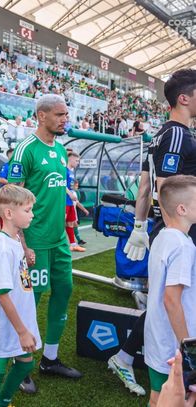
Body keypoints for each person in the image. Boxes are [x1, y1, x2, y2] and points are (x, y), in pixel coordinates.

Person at [110, 69, 196, 396]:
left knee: (166, 300)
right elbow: (166, 187)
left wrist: (139, 225)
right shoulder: (176, 135)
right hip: (179, 228)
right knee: (175, 300)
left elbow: (145, 186)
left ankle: (128, 357)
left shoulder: (161, 135)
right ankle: (179, 361)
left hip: (169, 227)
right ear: (184, 98)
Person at [7, 94, 82, 393]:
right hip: (34, 241)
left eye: (66, 114)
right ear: (41, 115)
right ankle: (20, 363)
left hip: (58, 240)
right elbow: (11, 201)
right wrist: (22, 243)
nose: (65, 119)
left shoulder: (61, 150)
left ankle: (50, 359)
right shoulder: (25, 150)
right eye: (60, 114)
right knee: (30, 300)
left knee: (63, 292)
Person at [0, 184, 40, 407]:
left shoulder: (15, 240)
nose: (32, 214)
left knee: (25, 363)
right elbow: (2, 295)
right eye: (28, 210)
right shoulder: (3, 249)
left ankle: (3, 402)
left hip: (17, 320)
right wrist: (22, 332)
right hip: (1, 326)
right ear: (9, 213)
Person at [145, 175, 196, 407]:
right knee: (177, 399)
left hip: (158, 338)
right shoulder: (182, 246)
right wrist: (188, 348)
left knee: (158, 396)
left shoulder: (162, 237)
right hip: (173, 344)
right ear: (182, 209)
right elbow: (171, 299)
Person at [66, 152, 85, 252]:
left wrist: (73, 191)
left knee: (70, 223)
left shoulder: (71, 172)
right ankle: (59, 245)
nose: (78, 163)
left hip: (70, 202)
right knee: (61, 224)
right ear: (71, 159)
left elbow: (70, 186)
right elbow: (61, 184)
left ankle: (73, 244)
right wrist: (70, 193)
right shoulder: (64, 170)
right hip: (63, 201)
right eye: (77, 160)